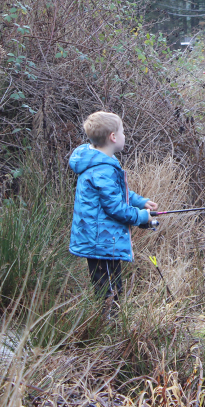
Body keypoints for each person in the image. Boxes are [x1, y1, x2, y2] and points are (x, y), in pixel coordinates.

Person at [68, 111, 158, 312]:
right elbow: (115, 207)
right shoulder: (102, 169)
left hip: (102, 239)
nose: (125, 136)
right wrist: (141, 216)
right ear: (113, 137)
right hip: (100, 242)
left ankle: (109, 322)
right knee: (108, 291)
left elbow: (117, 194)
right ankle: (108, 327)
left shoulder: (102, 162)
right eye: (123, 132)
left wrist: (140, 202)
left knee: (111, 285)